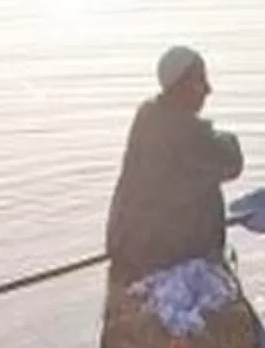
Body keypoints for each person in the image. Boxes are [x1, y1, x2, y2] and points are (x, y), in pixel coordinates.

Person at [104, 45, 245, 285]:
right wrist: (226, 137)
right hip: (163, 255)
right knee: (208, 187)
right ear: (180, 86)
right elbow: (232, 163)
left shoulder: (147, 116)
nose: (209, 90)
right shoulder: (189, 135)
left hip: (125, 242)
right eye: (200, 81)